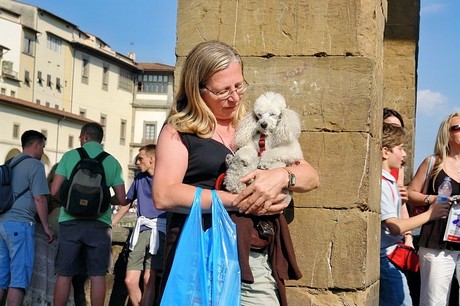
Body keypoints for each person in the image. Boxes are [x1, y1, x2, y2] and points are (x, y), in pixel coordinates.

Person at [153, 40, 320, 306]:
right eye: (223, 91)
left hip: (254, 255)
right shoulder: (178, 130)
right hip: (203, 254)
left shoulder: (254, 124)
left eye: (239, 86)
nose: (234, 97)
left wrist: (282, 176)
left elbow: (311, 176)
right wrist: (239, 201)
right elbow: (164, 194)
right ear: (198, 90)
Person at [51, 122, 126, 306]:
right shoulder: (112, 161)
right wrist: (105, 200)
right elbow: (122, 198)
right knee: (97, 275)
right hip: (99, 224)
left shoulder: (69, 157)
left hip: (70, 221)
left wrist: (71, 203)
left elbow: (54, 191)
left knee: (64, 274)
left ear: (84, 137)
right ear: (100, 139)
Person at [379, 123, 449, 306]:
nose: (404, 155)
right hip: (386, 259)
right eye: (400, 148)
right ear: (385, 152)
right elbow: (395, 226)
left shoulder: (389, 181)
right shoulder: (383, 183)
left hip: (391, 257)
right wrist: (430, 215)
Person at [407, 112, 460, 305]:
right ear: (447, 133)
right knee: (434, 301)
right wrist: (433, 199)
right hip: (437, 242)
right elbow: (411, 193)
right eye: (457, 127)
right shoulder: (433, 162)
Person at [0, 130, 53, 306]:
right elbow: (40, 198)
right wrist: (46, 226)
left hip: (2, 223)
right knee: (19, 279)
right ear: (36, 145)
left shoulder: (10, 163)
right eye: (43, 147)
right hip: (20, 225)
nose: (43, 152)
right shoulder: (35, 166)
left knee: (1, 277)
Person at [112, 144, 166, 306]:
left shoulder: (166, 178)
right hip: (141, 231)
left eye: (140, 158)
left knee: (149, 279)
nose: (137, 162)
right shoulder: (139, 179)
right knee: (130, 280)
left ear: (152, 159)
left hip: (160, 231)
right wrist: (112, 222)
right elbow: (126, 202)